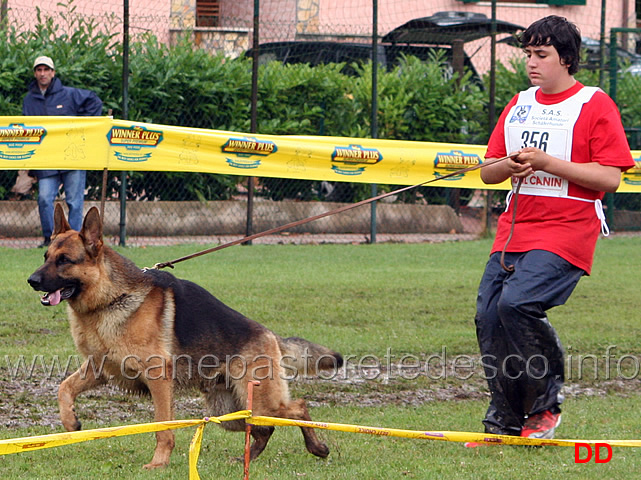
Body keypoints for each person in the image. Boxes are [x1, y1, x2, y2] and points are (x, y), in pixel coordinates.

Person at [469, 16, 634, 444]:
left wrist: (547, 163)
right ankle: (504, 422)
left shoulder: (595, 104)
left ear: (566, 58)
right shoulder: (518, 103)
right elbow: (489, 172)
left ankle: (545, 406)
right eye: (527, 54)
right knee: (489, 316)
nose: (531, 63)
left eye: (541, 55)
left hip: (567, 230)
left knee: (517, 305)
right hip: (513, 230)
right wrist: (510, 164)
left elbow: (610, 179)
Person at [23, 55, 103, 247]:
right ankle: (49, 239)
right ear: (35, 73)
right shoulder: (29, 100)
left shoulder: (69, 94)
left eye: (46, 70)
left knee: (75, 201)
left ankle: (75, 240)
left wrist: (80, 127)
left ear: (53, 73)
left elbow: (95, 102)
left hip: (73, 157)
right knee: (44, 198)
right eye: (39, 70)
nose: (42, 74)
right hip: (46, 160)